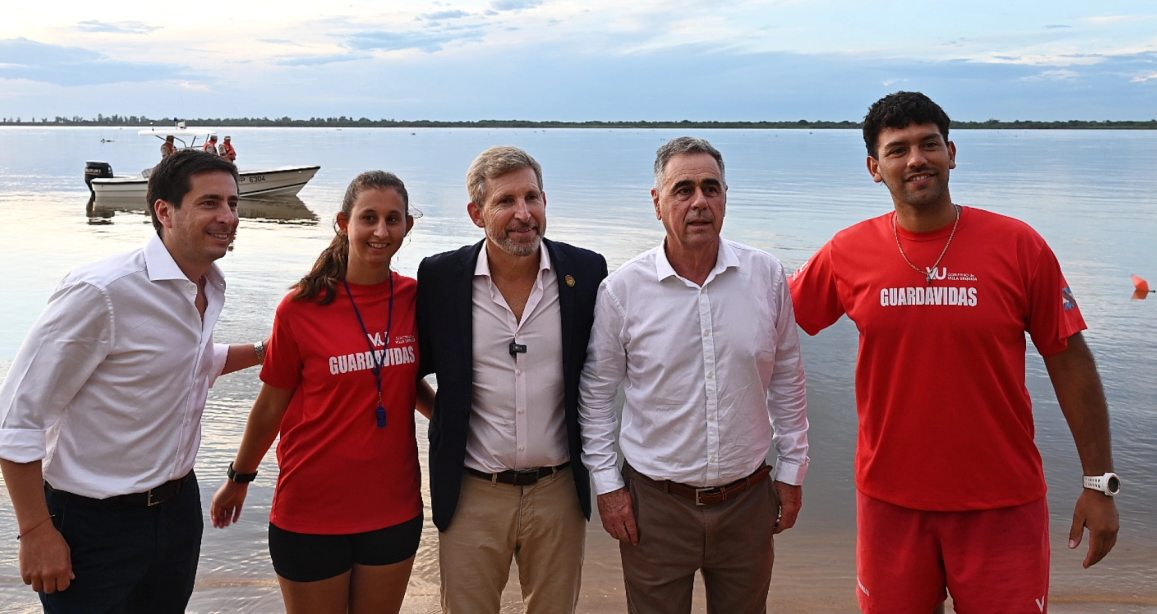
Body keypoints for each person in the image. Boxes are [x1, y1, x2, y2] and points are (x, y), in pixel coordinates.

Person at [789, 91, 1120, 614]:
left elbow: (1070, 361)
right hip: (890, 503)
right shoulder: (846, 252)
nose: (917, 158)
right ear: (875, 168)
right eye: (898, 150)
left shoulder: (1018, 246)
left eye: (930, 144)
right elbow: (768, 324)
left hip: (1003, 504)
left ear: (952, 153)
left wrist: (1099, 484)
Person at [0, 150, 264, 613]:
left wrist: (267, 351)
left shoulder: (207, 285)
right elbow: (15, 417)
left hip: (177, 513)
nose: (228, 217)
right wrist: (35, 531)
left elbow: (185, 363)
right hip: (93, 523)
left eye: (233, 204)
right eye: (210, 203)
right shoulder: (102, 291)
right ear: (164, 211)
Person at [579, 136, 809, 614]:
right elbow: (597, 395)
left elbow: (787, 377)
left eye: (711, 188)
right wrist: (608, 487)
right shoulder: (622, 290)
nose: (699, 202)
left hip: (748, 500)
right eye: (683, 189)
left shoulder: (766, 276)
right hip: (654, 507)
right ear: (657, 201)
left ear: (726, 197)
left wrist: (791, 470)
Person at [211, 170, 431, 614]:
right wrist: (239, 478)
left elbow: (405, 383)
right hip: (310, 510)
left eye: (393, 219)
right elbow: (271, 405)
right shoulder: (300, 308)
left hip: (394, 507)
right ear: (343, 222)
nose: (381, 231)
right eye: (369, 217)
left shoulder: (415, 299)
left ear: (408, 226)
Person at [416, 146, 607, 614]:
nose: (523, 214)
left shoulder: (586, 272)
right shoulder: (441, 278)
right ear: (476, 213)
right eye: (505, 201)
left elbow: (607, 373)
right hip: (472, 491)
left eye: (532, 197)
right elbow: (408, 370)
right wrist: (448, 415)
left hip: (560, 490)